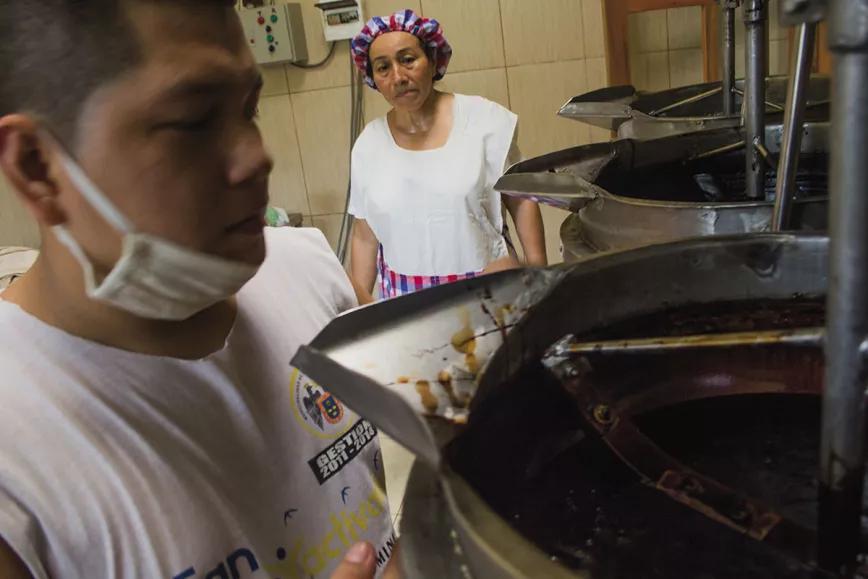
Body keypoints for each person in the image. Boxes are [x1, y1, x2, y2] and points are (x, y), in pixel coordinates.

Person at [0, 1, 395, 578]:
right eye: (191, 122)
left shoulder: (310, 271)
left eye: (248, 109)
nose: (257, 156)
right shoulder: (15, 464)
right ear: (38, 167)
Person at [348, 10, 547, 300]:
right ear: (373, 78)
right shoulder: (369, 145)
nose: (398, 77)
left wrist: (539, 276)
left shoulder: (483, 121)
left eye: (407, 60)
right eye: (383, 68)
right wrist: (361, 308)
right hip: (404, 301)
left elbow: (521, 197)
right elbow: (364, 235)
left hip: (490, 287)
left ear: (431, 60)